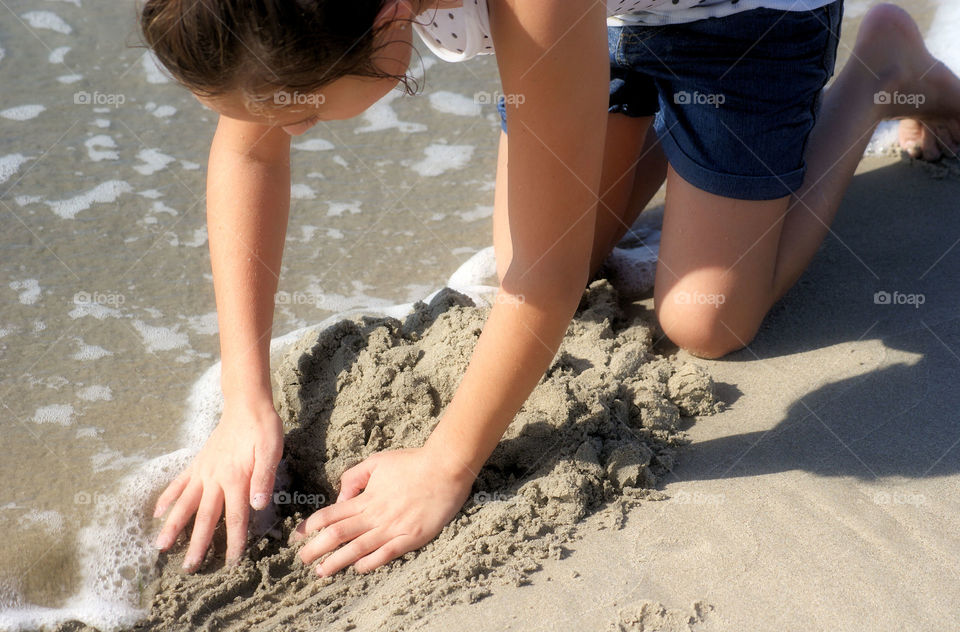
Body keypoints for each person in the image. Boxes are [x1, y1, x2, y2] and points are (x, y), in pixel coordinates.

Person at [142, 0, 960, 577]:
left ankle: (881, 67)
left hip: (744, 21)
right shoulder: (285, 10)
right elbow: (247, 148)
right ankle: (692, 143)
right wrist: (245, 402)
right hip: (600, 24)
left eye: (305, 114)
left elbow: (547, 277)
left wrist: (444, 466)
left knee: (702, 317)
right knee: (539, 237)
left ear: (390, 16)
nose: (289, 127)